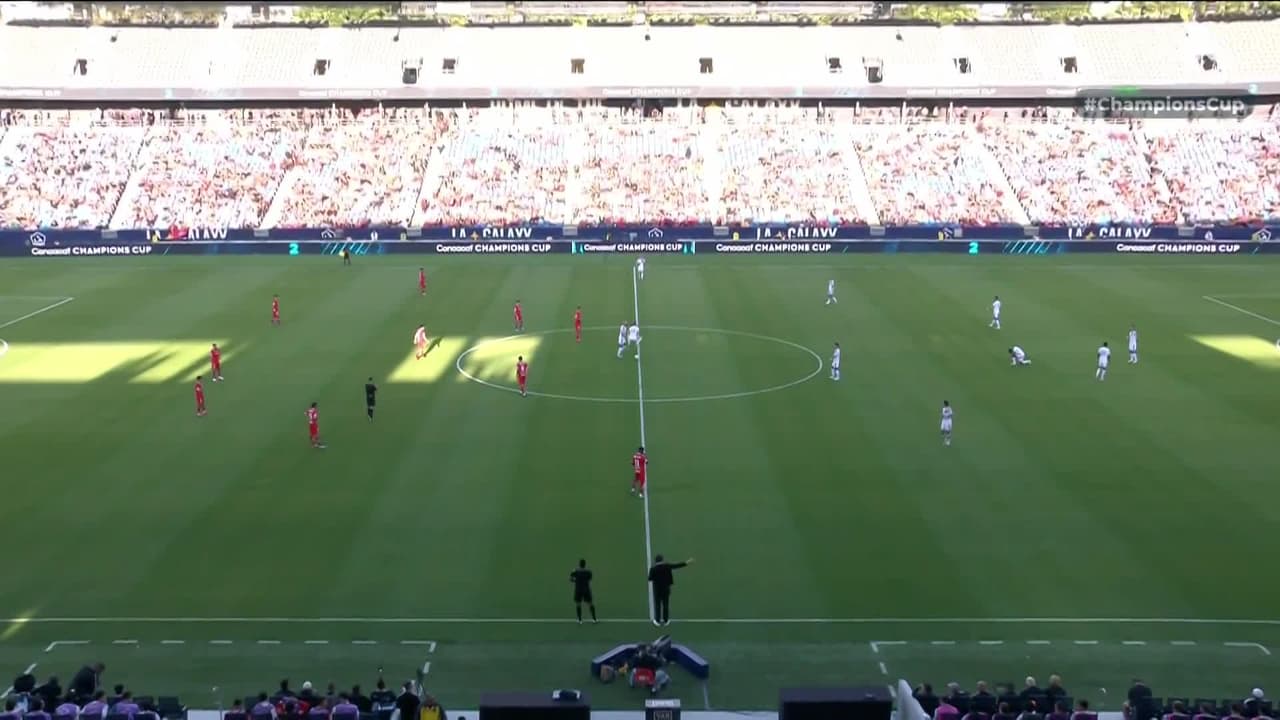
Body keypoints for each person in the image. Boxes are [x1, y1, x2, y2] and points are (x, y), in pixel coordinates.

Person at [648, 554, 693, 626]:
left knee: (658, 605)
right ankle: (666, 620)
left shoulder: (653, 569)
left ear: (655, 561)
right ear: (662, 560)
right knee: (665, 605)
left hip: (657, 590)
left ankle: (657, 620)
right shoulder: (667, 566)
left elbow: (650, 578)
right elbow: (676, 566)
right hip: (666, 589)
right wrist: (687, 562)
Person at [570, 558, 597, 624]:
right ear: (585, 564)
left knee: (578, 604)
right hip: (586, 590)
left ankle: (580, 620)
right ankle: (594, 619)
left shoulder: (575, 571)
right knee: (590, 603)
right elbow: (589, 579)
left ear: (579, 564)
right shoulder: (588, 572)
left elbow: (571, 579)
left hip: (578, 590)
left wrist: (576, 580)